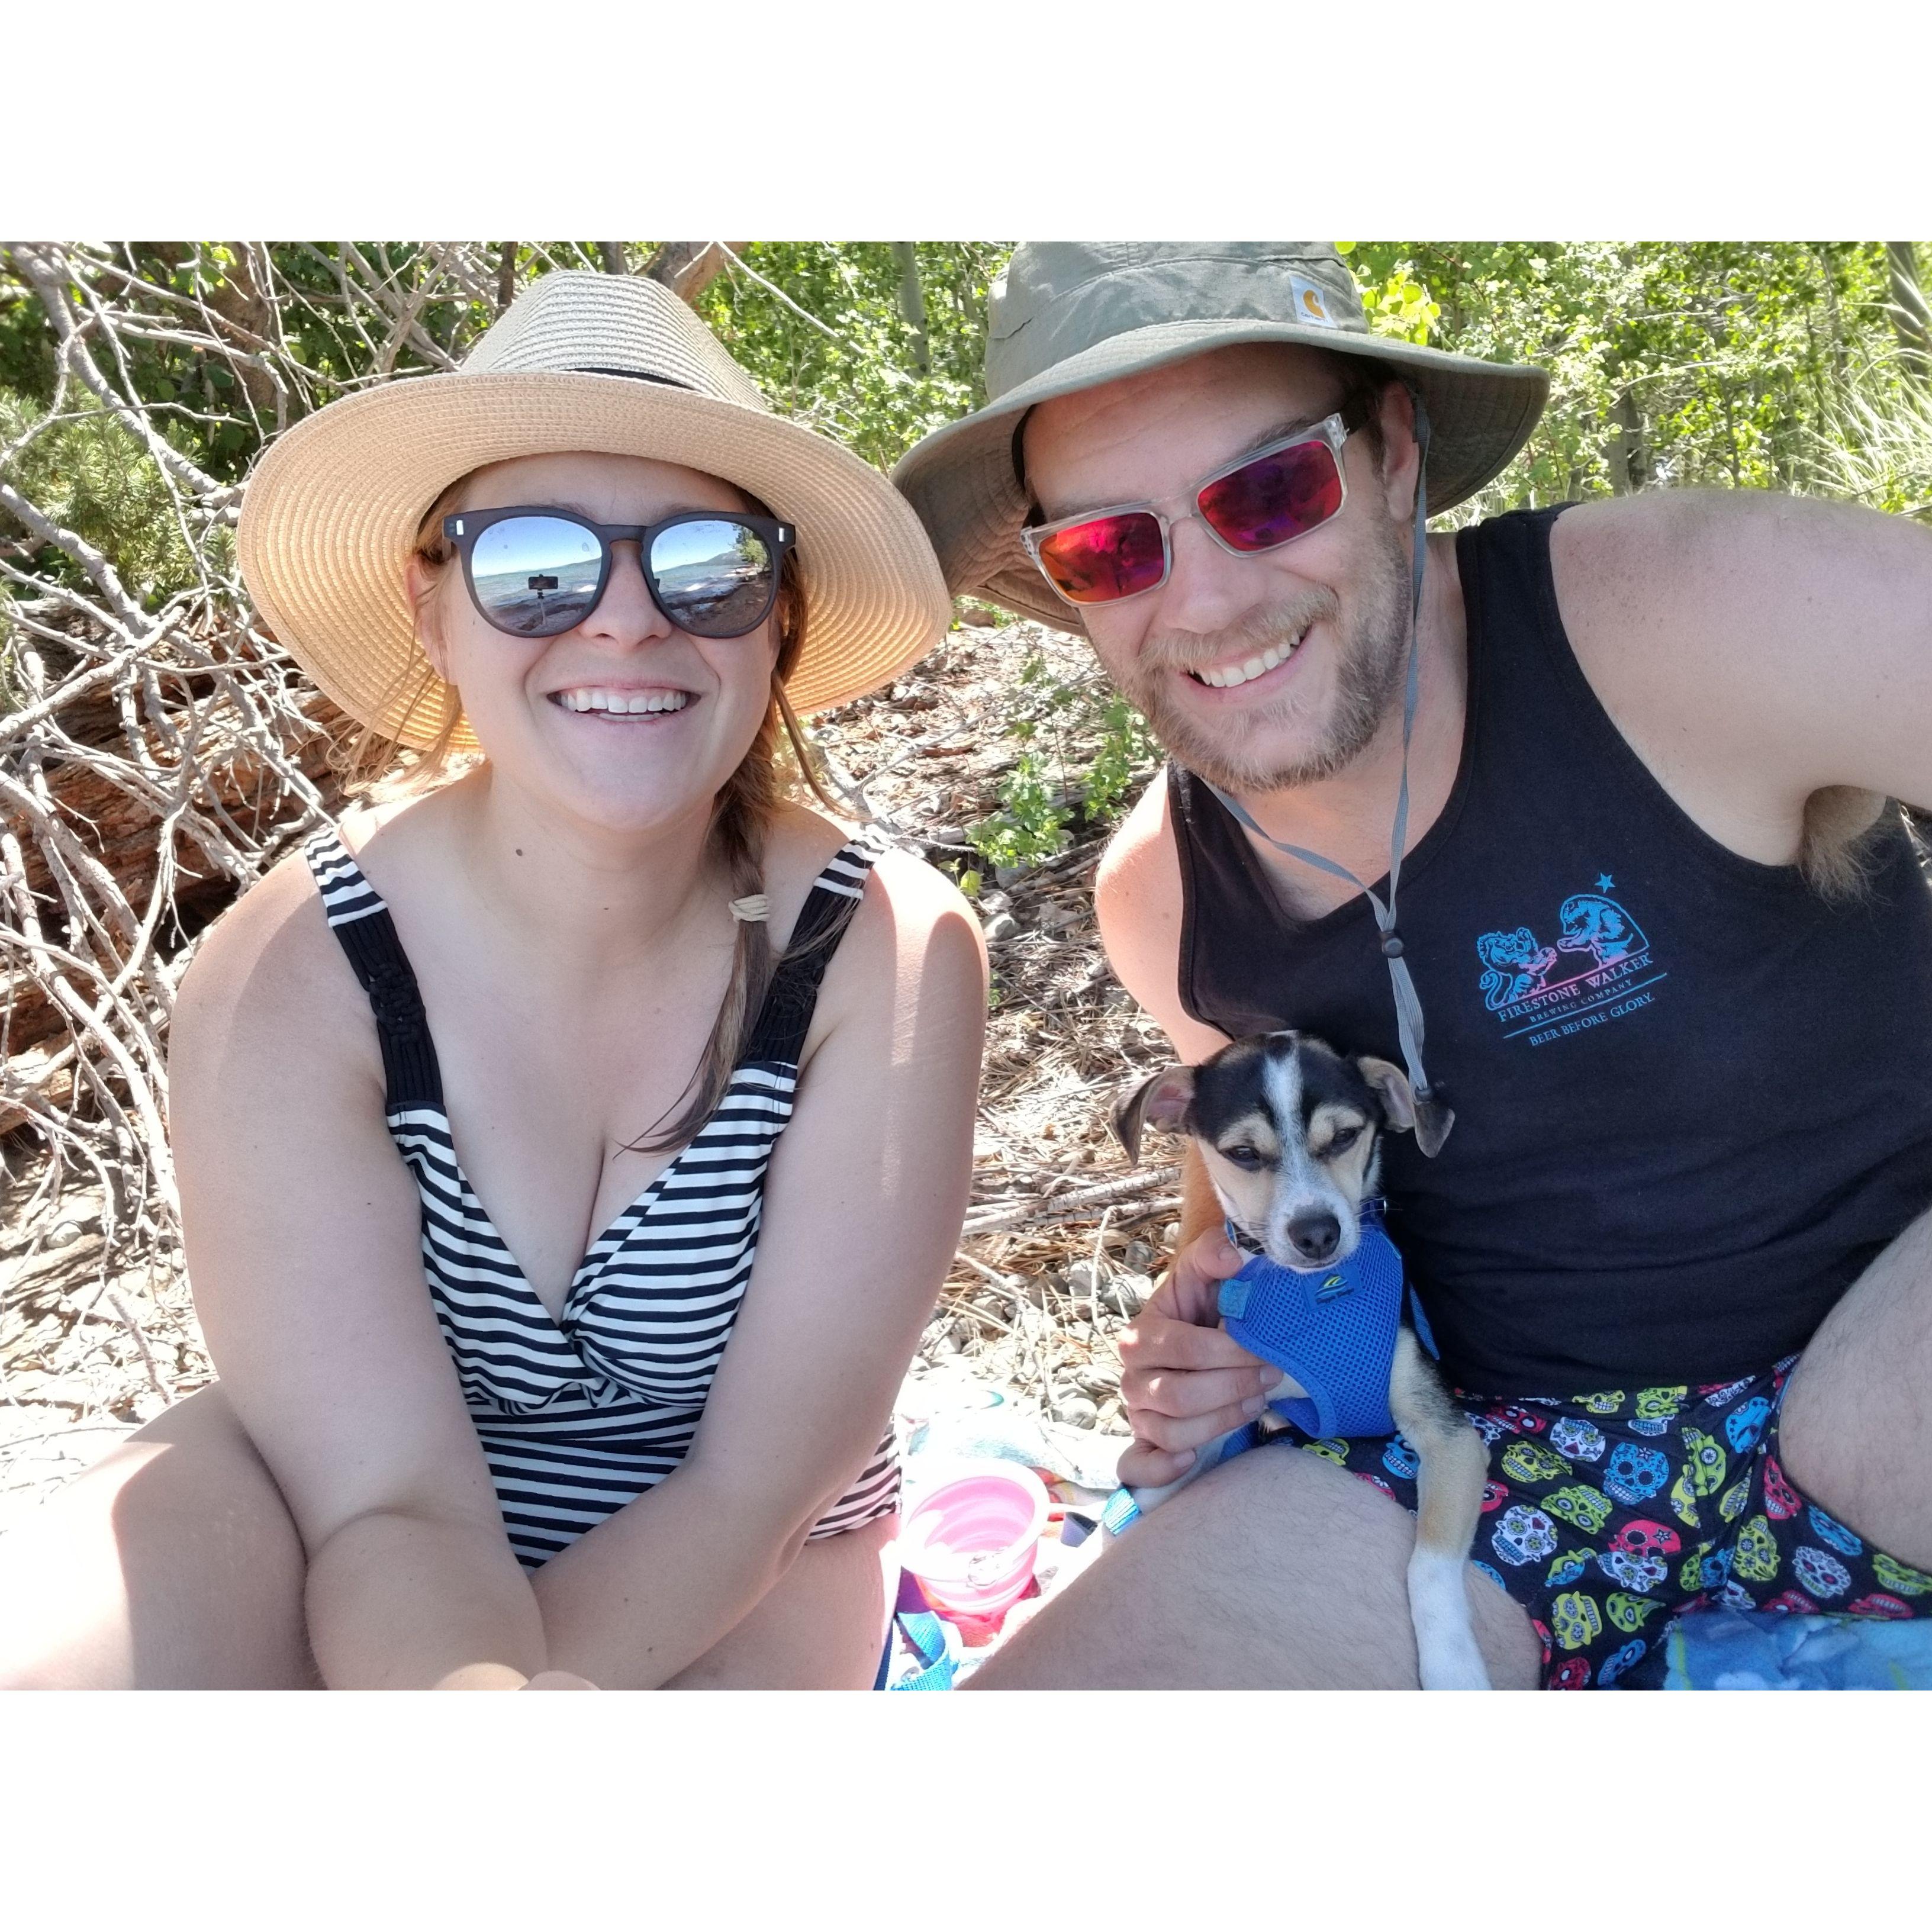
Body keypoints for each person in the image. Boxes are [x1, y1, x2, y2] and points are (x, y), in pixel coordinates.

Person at [894, 240, 1932, 1689]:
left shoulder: (1704, 611)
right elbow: (1248, 1212)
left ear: (1393, 454)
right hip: (1490, 1474)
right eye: (1113, 548)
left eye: (1268, 492)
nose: (1201, 601)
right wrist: (1215, 1338)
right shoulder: (1160, 900)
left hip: (1889, 1375)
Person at [0, 271, 986, 1690]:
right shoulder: (292, 974)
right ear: (433, 603)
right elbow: (386, 1499)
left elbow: (750, 1497)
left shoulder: (877, 957)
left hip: (744, 1553)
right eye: (538, 564)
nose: (626, 621)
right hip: (358, 1527)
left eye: (709, 563)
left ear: (779, 616)